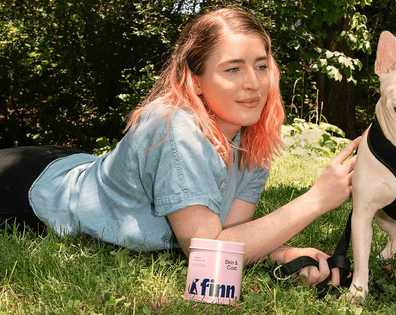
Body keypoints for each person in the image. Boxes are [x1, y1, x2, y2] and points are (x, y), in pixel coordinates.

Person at [0, 7, 359, 287]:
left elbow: (228, 238)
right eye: (232, 69)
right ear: (197, 80)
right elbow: (206, 251)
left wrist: (280, 254)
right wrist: (315, 200)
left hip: (78, 164)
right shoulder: (175, 128)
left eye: (261, 66)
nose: (254, 83)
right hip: (30, 186)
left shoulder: (253, 133)